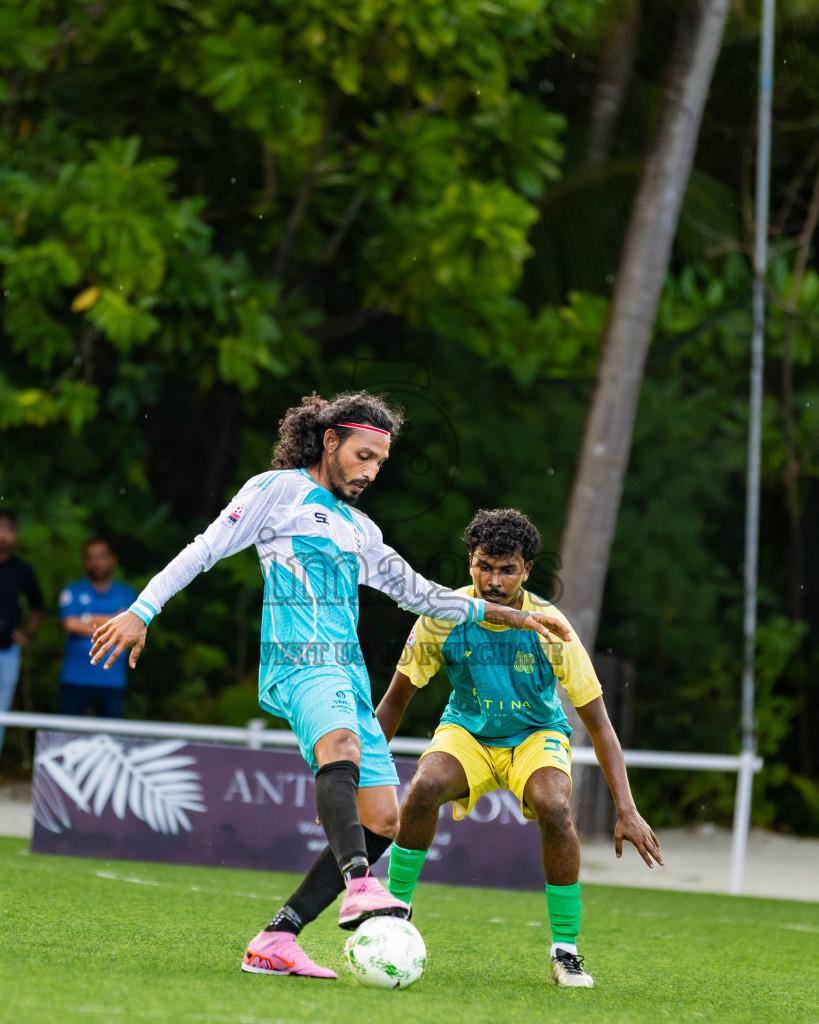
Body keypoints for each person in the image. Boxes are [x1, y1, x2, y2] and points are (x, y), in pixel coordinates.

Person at [89, 392, 571, 980]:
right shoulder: (276, 491)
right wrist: (143, 609)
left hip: (346, 672)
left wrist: (519, 616)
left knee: (384, 819)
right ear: (329, 441)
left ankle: (279, 937)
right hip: (299, 660)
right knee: (339, 747)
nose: (370, 471)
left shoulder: (360, 531)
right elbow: (204, 550)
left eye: (380, 463)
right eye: (363, 455)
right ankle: (360, 884)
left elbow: (425, 596)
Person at [377, 508, 663, 989]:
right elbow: (395, 700)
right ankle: (394, 912)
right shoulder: (442, 615)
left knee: (554, 806)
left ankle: (565, 951)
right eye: (484, 566)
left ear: (527, 570)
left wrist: (627, 809)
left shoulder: (552, 625)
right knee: (424, 787)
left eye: (506, 569)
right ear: (469, 562)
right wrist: (352, 775)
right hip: (467, 732)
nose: (493, 580)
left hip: (535, 734)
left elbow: (599, 724)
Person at [58, 539, 137, 718]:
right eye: (91, 558)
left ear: (113, 559)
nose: (97, 563)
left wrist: (86, 619)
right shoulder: (73, 590)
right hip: (75, 677)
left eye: (102, 557)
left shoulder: (127, 593)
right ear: (84, 562)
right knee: (67, 737)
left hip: (112, 680)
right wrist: (114, 620)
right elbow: (69, 624)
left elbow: (129, 628)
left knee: (109, 740)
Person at [0, 511, 45, 757]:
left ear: (15, 535)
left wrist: (27, 634)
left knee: (1, 713)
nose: (3, 535)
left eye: (8, 529)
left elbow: (39, 605)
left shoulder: (21, 570)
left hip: (7, 651)